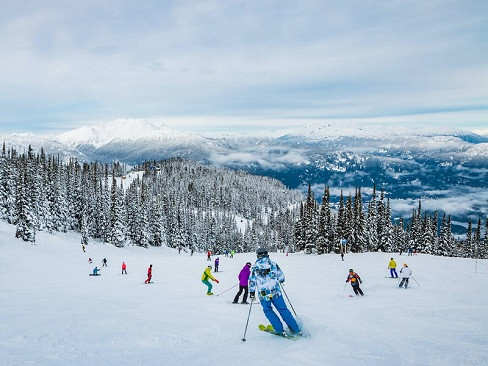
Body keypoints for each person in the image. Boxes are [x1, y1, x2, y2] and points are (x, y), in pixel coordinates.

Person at [249, 248, 300, 337]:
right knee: (283, 310)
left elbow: (252, 282)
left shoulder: (255, 268)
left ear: (258, 255)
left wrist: (252, 293)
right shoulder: (273, 264)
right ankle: (295, 329)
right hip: (276, 293)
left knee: (268, 310)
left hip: (264, 295)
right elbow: (281, 277)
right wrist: (279, 280)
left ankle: (279, 330)